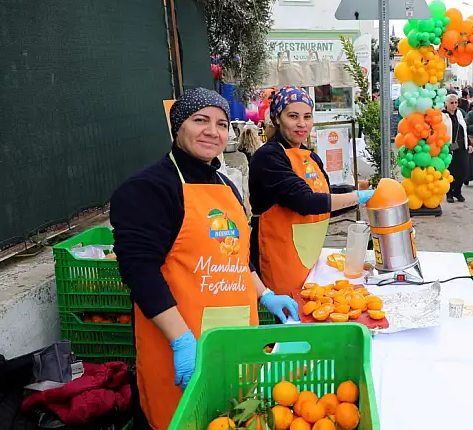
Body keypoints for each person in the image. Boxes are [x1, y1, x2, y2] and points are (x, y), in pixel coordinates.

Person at [110, 88, 300, 429]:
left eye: (222, 124)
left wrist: (265, 294)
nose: (212, 131)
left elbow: (237, 255)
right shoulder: (148, 188)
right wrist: (181, 340)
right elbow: (139, 271)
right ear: (178, 126)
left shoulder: (226, 186)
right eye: (200, 120)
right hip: (180, 344)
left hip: (235, 339)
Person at [248, 86, 374, 295]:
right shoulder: (268, 157)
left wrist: (356, 190)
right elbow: (306, 202)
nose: (302, 124)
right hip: (276, 255)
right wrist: (357, 197)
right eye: (293, 116)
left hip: (307, 256)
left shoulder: (310, 156)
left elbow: (324, 199)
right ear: (277, 118)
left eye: (307, 116)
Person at [443, 94, 470, 203]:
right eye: (451, 103)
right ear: (446, 104)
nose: (454, 105)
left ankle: (457, 191)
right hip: (449, 147)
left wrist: (469, 143)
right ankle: (449, 193)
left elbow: (464, 129)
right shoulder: (443, 116)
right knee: (451, 171)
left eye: (456, 102)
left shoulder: (459, 114)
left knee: (463, 170)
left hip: (461, 146)